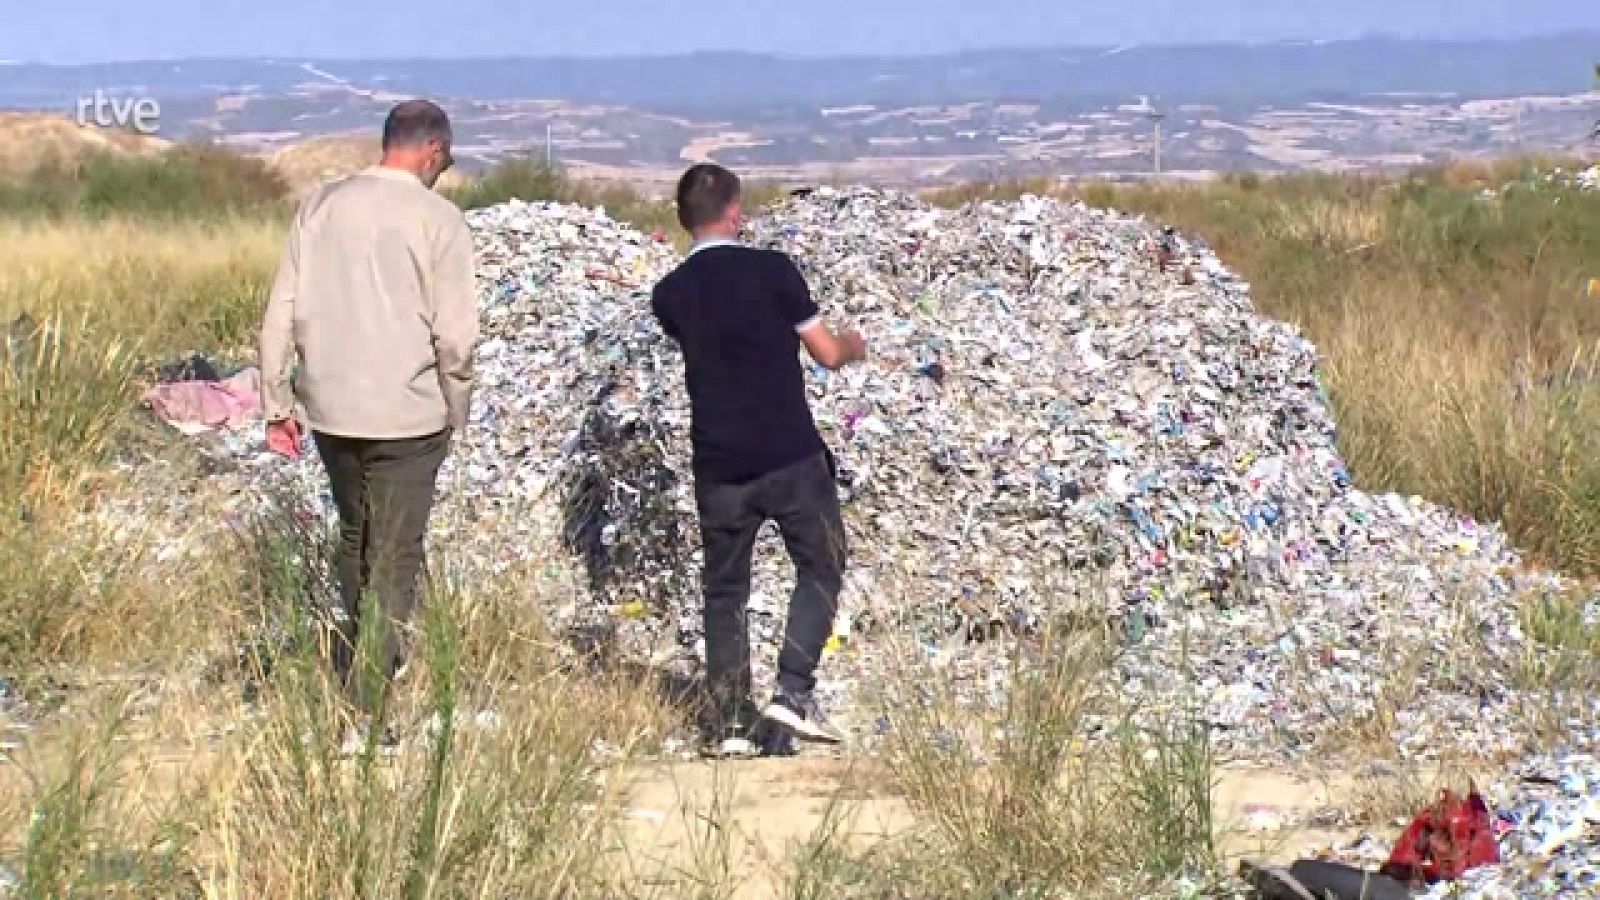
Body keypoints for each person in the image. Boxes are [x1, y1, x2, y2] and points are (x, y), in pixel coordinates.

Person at [258, 99, 477, 751]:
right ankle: (367, 707)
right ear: (432, 151)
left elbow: (281, 312)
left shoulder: (320, 207)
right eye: (448, 161)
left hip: (331, 408)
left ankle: (360, 661)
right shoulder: (439, 220)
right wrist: (455, 408)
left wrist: (277, 402)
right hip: (408, 411)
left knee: (355, 535)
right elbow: (456, 338)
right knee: (395, 554)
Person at [650, 163, 869, 758]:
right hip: (790, 454)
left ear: (681, 220)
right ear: (736, 212)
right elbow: (825, 353)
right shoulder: (773, 272)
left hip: (719, 465)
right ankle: (790, 695)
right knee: (821, 565)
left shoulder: (670, 295)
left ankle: (728, 724)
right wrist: (855, 344)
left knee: (725, 589)